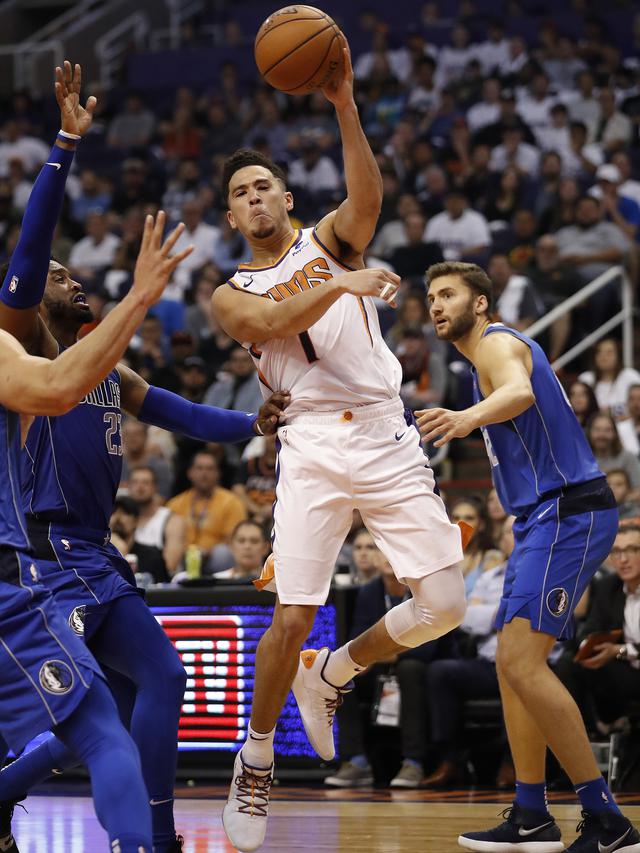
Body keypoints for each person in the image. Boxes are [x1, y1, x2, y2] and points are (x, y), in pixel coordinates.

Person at [0, 64, 288, 853]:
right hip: (43, 554)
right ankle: (153, 841)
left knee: (148, 688)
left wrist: (254, 426)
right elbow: (30, 248)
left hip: (95, 552)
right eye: (60, 277)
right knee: (99, 717)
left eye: (74, 272)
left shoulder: (107, 366)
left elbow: (182, 413)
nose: (72, 279)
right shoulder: (26, 344)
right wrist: (64, 146)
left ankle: (69, 812)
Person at [212, 39, 465, 853]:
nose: (254, 200)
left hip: (386, 428)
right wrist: (342, 283)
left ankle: (337, 672)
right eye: (240, 195)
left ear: (286, 197)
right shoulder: (231, 290)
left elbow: (368, 197)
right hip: (313, 441)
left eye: (263, 187)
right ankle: (254, 761)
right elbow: (266, 324)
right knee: (291, 613)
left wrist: (344, 104)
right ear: (232, 217)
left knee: (447, 606)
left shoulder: (329, 238)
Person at [419, 261, 637, 852]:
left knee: (521, 662)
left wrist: (465, 419)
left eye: (448, 295)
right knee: (510, 666)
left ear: (482, 303)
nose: (436, 305)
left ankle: (607, 818)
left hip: (569, 510)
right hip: (540, 517)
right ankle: (530, 812)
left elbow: (517, 393)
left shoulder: (496, 344)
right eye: (431, 297)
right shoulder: (480, 357)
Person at [325, 552, 457, 790]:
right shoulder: (369, 592)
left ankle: (413, 762)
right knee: (343, 675)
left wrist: (377, 656)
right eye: (380, 550)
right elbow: (357, 638)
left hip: (426, 665)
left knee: (410, 668)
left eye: (393, 550)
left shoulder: (425, 588)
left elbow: (428, 647)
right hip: (382, 667)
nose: (387, 555)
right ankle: (355, 761)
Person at [423, 516, 516, 790]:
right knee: (441, 672)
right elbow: (466, 617)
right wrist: (504, 612)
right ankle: (451, 760)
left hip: (533, 664)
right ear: (502, 540)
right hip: (490, 664)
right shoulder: (490, 577)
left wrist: (490, 612)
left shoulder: (545, 573)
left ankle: (514, 763)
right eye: (510, 531)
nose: (516, 536)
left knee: (524, 678)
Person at [554, 522, 640, 736]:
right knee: (569, 662)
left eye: (632, 550)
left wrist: (619, 650)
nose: (623, 559)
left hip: (630, 663)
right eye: (617, 551)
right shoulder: (608, 586)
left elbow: (619, 650)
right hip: (623, 673)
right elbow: (589, 628)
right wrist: (588, 646)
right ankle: (578, 739)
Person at [129, 465, 186, 576]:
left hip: (161, 587)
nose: (140, 487)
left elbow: (170, 565)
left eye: (145, 483)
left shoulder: (172, 521)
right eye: (135, 482)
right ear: (128, 487)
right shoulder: (120, 521)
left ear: (155, 487)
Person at [450, 497, 503, 596]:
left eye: (469, 518)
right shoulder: (440, 557)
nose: (461, 524)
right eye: (456, 518)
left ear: (481, 524)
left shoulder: (492, 557)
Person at [579, 338, 640, 422]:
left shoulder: (631, 376)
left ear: (618, 355)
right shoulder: (586, 378)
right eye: (599, 352)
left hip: (627, 427)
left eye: (609, 352)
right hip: (591, 429)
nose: (603, 357)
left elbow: (636, 406)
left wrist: (611, 412)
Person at [587, 413, 640, 490]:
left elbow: (638, 489)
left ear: (615, 433)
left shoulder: (628, 457)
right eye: (597, 430)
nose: (602, 435)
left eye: (607, 430)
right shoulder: (582, 460)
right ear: (589, 432)